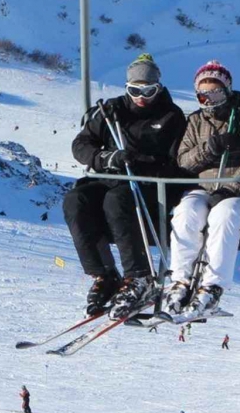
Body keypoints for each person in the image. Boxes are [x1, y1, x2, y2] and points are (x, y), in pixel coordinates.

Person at [64, 54, 188, 318]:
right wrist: (104, 158)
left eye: (148, 90)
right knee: (76, 201)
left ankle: (139, 276)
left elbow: (179, 161)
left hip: (149, 187)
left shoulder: (171, 116)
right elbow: (81, 145)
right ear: (126, 87)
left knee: (116, 201)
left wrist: (143, 165)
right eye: (135, 90)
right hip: (112, 176)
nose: (141, 96)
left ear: (159, 88)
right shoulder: (111, 111)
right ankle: (104, 274)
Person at [162, 61, 240, 319]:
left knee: (224, 215)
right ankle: (180, 281)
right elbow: (183, 161)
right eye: (202, 95)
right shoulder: (195, 120)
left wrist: (233, 187)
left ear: (227, 90)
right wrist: (211, 148)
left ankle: (212, 287)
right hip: (204, 188)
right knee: (186, 212)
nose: (209, 100)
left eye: (216, 93)